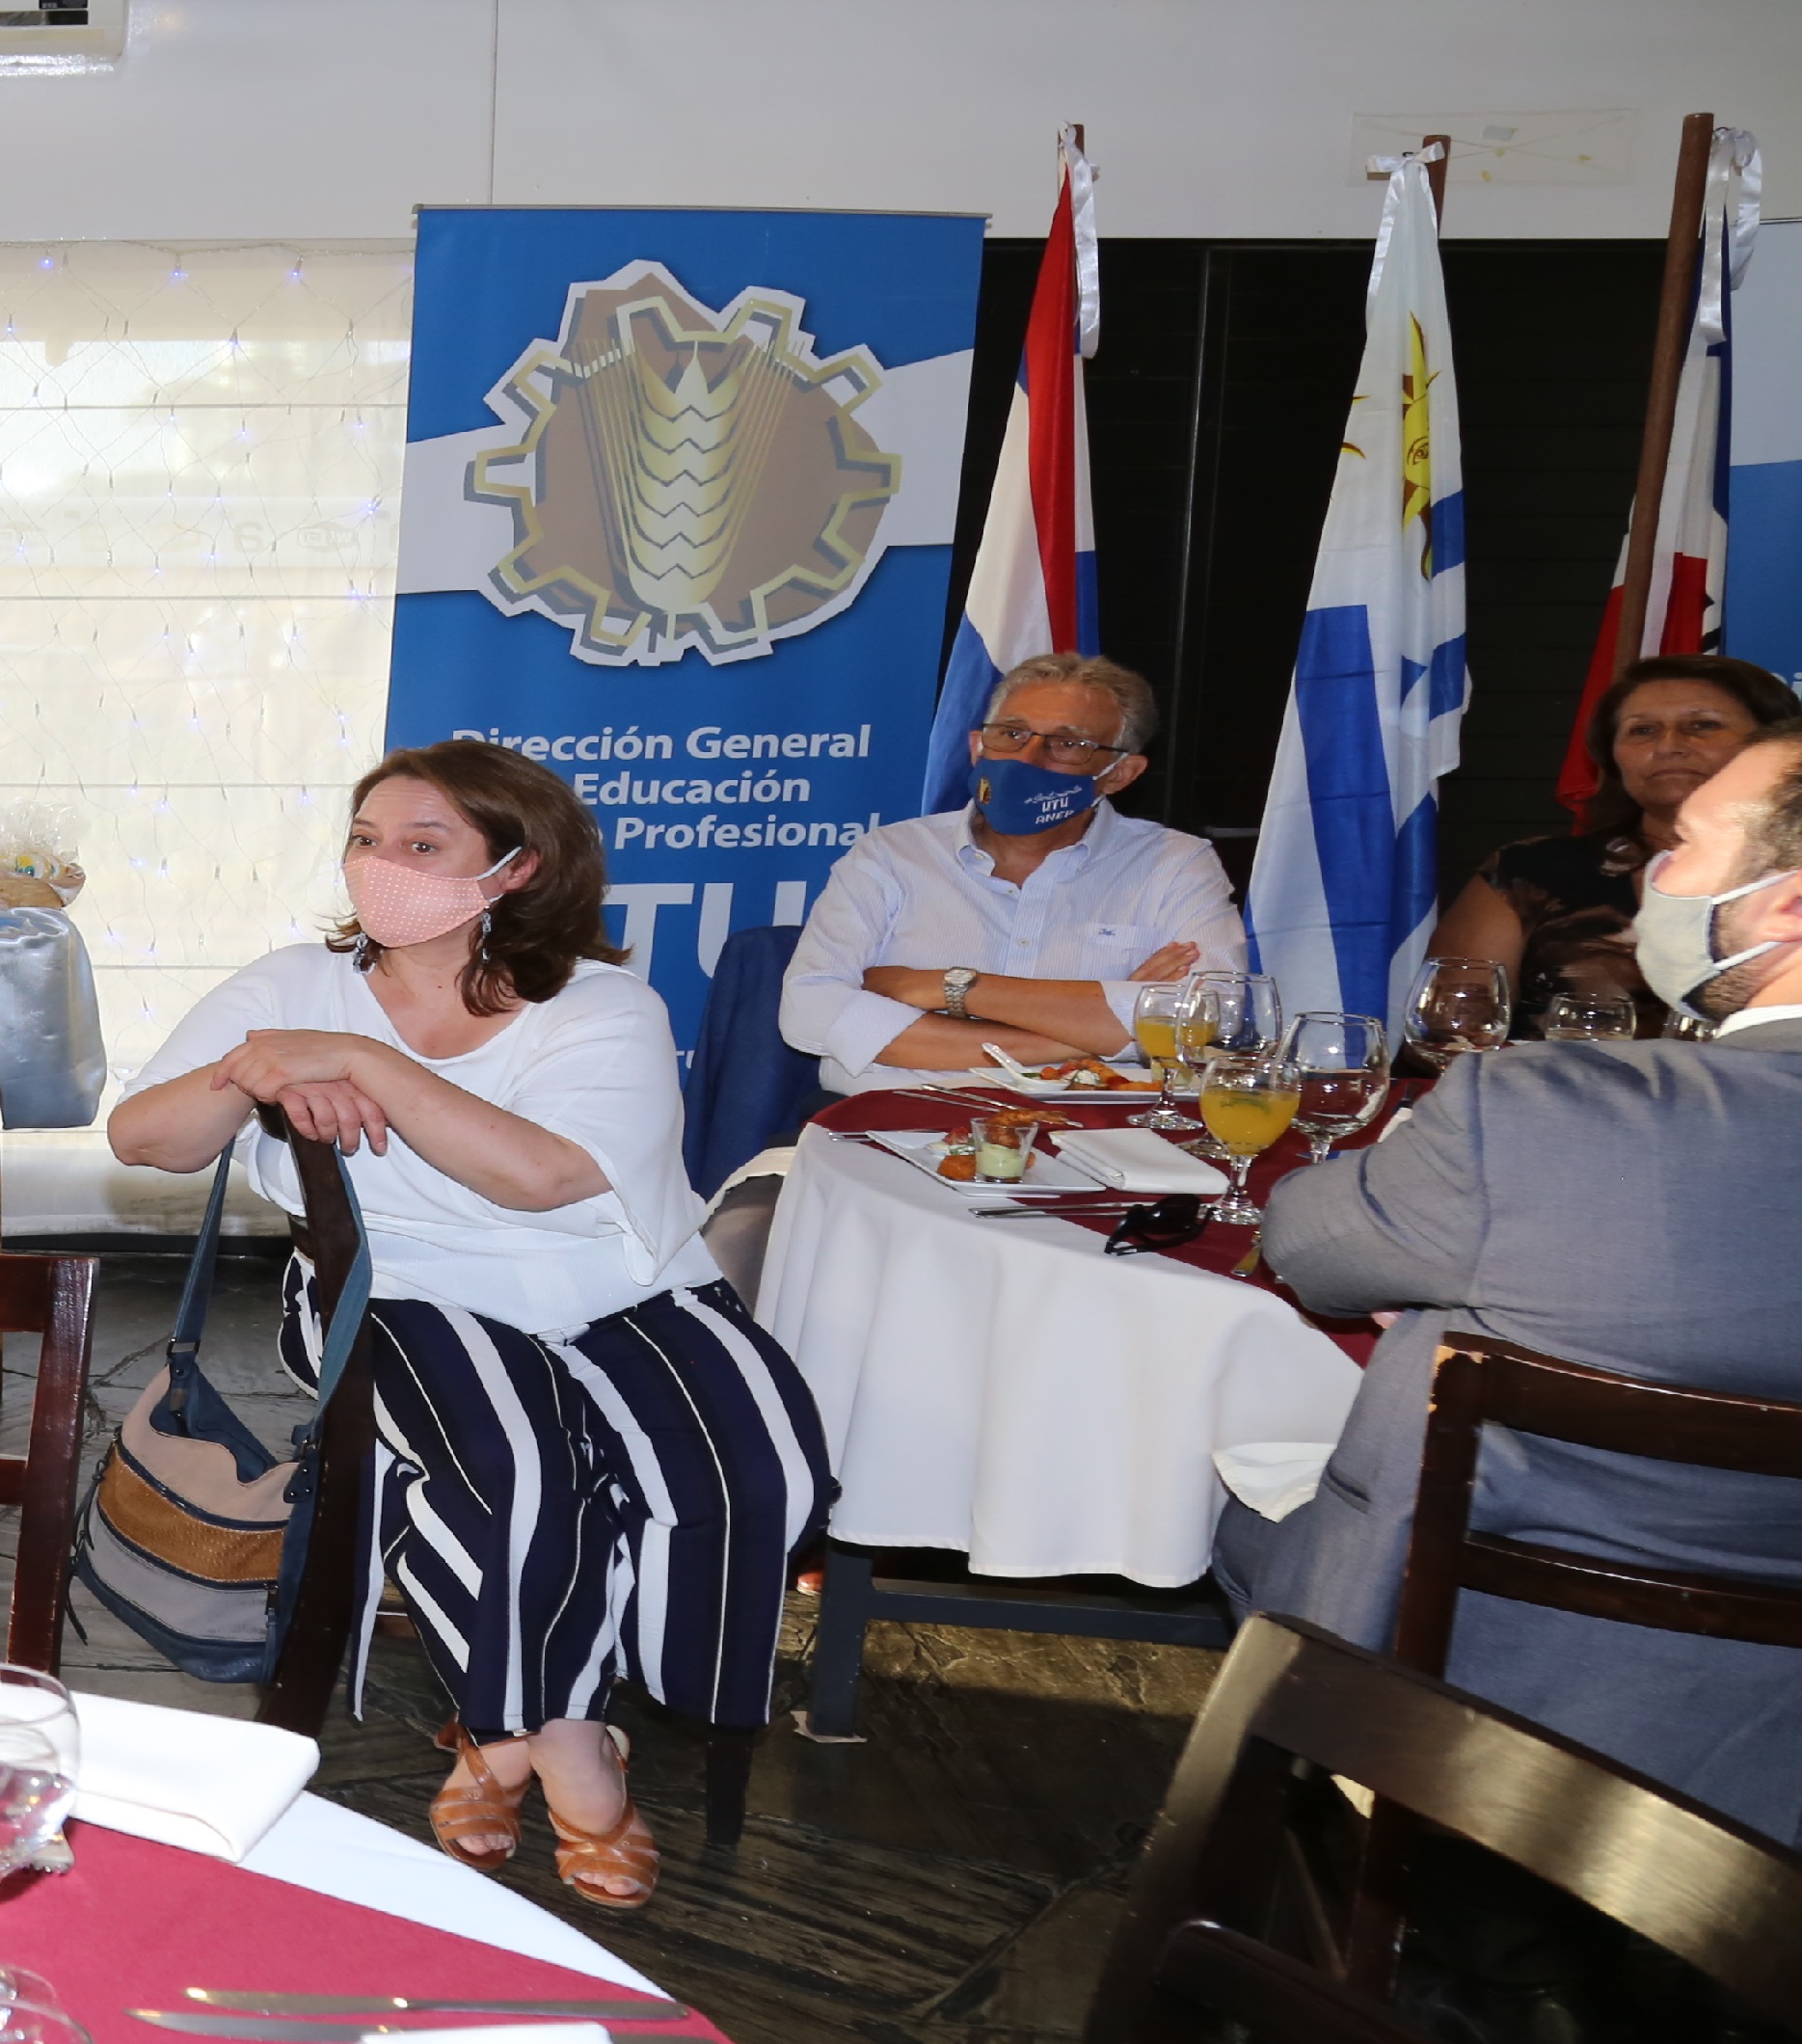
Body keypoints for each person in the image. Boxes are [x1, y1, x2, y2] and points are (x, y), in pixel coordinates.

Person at [108, 739, 830, 1910]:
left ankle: (512, 1729)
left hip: (612, 1278)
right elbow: (144, 1138)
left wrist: (358, 1061)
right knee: (517, 1469)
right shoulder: (291, 984)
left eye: (420, 843)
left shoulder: (601, 1002)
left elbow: (539, 1176)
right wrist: (255, 1070)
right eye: (364, 838)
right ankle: (563, 1743)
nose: (378, 865)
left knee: (757, 1465)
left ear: (514, 868)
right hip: (398, 1283)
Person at [1220, 724, 1802, 1842]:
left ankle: (1302, 1858)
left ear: (1786, 906)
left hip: (1481, 1699)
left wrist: (1454, 1258)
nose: (1653, 873)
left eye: (1684, 844)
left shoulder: (1547, 1112)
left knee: (1242, 1505)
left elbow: (1308, 1245)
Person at [781, 652, 1248, 1092]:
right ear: (977, 746)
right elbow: (809, 1012)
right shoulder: (891, 854)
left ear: (1119, 774)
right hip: (896, 1116)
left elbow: (1212, 1016)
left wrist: (949, 987)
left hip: (1091, 1127)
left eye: (1069, 744)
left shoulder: (1175, 862)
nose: (1027, 759)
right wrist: (1091, 1034)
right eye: (1011, 733)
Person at [1434, 652, 1801, 1039]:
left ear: (1775, 746)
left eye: (1703, 725)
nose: (1669, 745)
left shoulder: (1786, 874)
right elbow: (1451, 1034)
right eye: (1642, 730)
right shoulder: (1532, 871)